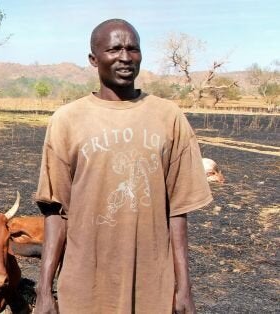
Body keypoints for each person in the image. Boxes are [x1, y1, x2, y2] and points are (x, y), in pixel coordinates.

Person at [34, 19, 212, 314]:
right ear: (94, 59)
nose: (125, 57)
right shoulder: (67, 120)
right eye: (114, 49)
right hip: (84, 284)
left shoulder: (169, 117)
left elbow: (178, 211)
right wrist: (44, 291)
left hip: (152, 285)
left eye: (133, 49)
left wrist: (184, 289)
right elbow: (56, 212)